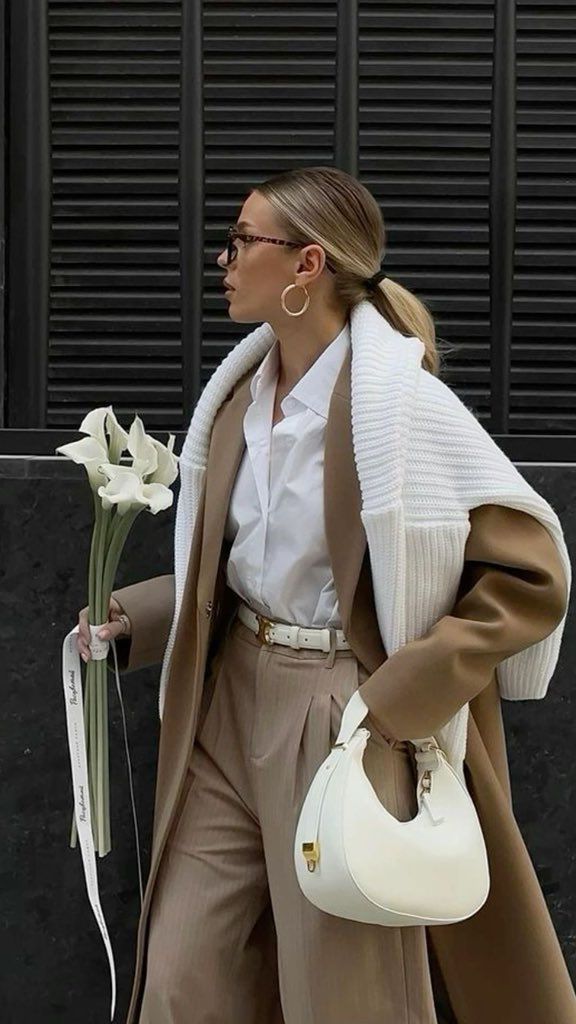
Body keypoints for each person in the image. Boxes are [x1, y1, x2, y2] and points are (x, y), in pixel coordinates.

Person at [77, 166, 574, 1024]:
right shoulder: (237, 401)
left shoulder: (401, 408)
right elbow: (240, 566)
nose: (224, 259)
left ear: (307, 265)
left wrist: (397, 699)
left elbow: (534, 574)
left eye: (242, 241)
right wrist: (138, 620)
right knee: (181, 970)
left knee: (343, 992)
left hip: (342, 708)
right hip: (227, 701)